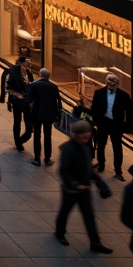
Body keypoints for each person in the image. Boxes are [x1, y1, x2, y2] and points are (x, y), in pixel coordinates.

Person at [56, 119, 113, 252]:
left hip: (84, 188)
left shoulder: (87, 146)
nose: (88, 137)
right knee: (65, 211)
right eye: (85, 135)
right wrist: (75, 184)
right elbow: (64, 170)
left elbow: (88, 168)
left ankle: (95, 242)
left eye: (89, 134)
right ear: (77, 134)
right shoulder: (67, 148)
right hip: (71, 189)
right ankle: (59, 233)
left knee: (89, 215)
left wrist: (99, 183)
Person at [91, 73, 132, 180]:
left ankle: (118, 170)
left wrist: (126, 126)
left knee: (117, 147)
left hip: (116, 125)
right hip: (103, 123)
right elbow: (94, 109)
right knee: (100, 145)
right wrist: (97, 122)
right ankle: (101, 164)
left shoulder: (124, 96)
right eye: (109, 81)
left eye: (114, 82)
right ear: (106, 81)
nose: (111, 84)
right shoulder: (98, 93)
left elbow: (130, 112)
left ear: (117, 84)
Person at [26, 67, 62, 166]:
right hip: (49, 115)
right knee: (48, 136)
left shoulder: (35, 85)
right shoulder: (54, 87)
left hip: (37, 114)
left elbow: (28, 100)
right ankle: (47, 158)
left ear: (40, 74)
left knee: (37, 136)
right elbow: (57, 102)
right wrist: (57, 115)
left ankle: (37, 158)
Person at [6, 55, 34, 150]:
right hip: (17, 101)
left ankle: (21, 139)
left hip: (27, 102)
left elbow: (32, 85)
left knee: (29, 125)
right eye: (28, 60)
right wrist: (17, 94)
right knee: (17, 121)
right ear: (22, 62)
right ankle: (18, 143)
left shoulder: (29, 72)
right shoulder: (14, 71)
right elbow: (7, 87)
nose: (30, 62)